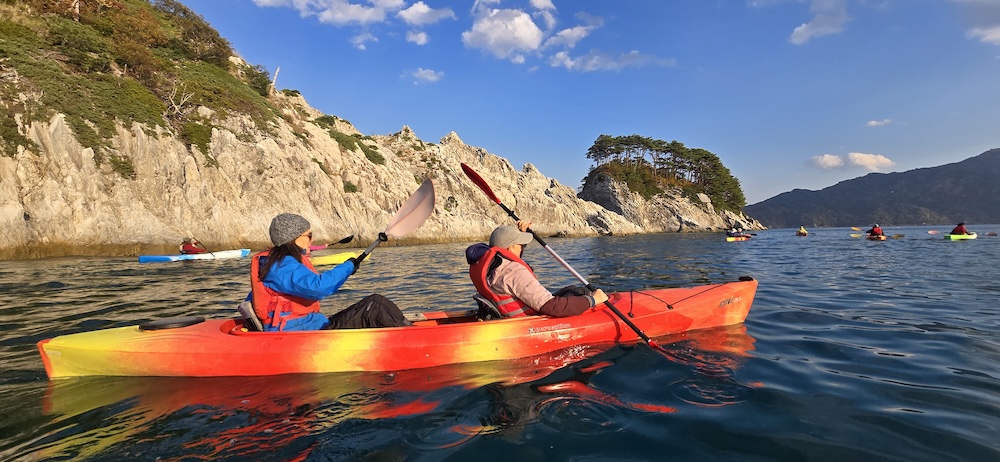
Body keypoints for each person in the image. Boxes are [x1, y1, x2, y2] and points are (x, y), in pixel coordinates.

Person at [249, 213, 410, 331]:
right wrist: (347, 267)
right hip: (299, 333)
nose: (312, 240)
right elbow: (318, 287)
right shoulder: (281, 266)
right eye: (309, 235)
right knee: (375, 306)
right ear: (293, 239)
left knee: (375, 305)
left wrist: (349, 268)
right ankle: (412, 338)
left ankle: (408, 331)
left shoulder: (275, 262)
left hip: (309, 326)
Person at [465, 220, 608, 318]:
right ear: (510, 248)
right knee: (584, 293)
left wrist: (521, 232)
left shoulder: (493, 266)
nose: (524, 248)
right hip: (533, 318)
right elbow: (552, 307)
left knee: (576, 290)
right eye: (522, 245)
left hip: (511, 312)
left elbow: (512, 259)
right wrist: (592, 300)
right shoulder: (514, 272)